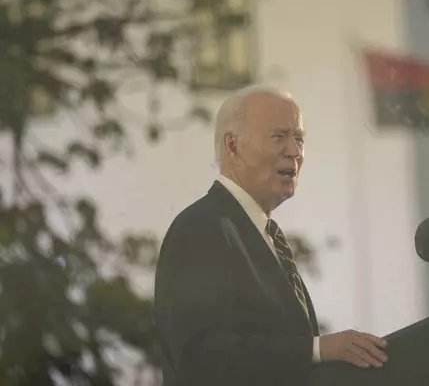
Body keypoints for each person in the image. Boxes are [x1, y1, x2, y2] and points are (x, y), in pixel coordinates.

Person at [153, 85, 389, 385]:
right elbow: (200, 357)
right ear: (233, 146)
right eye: (279, 136)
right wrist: (317, 349)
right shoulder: (200, 228)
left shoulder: (265, 235)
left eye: (299, 138)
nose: (295, 151)